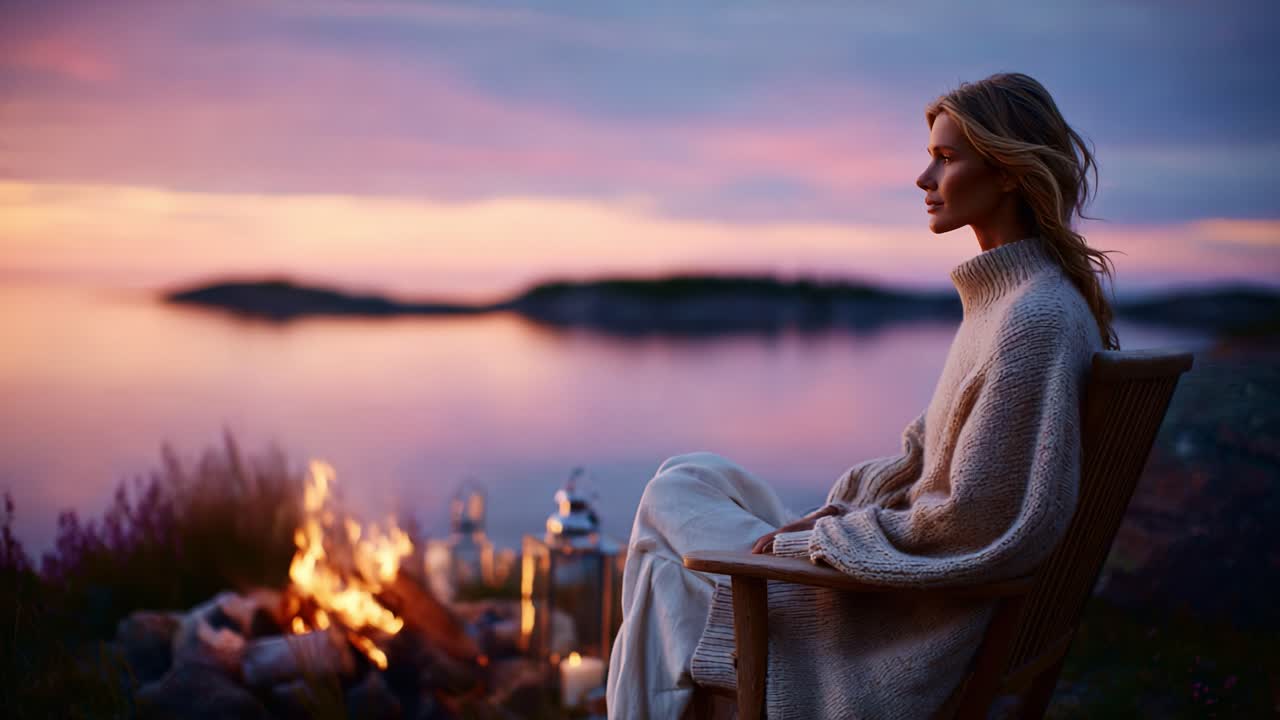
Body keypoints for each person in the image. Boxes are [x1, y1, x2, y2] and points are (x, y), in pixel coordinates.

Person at [606, 72, 1117, 720]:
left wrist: (811, 545)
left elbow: (968, 525)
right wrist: (834, 511)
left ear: (1009, 171)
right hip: (894, 579)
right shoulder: (1010, 304)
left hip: (903, 630)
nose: (923, 178)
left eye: (945, 157)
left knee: (661, 554)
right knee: (689, 478)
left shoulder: (1032, 321)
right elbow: (922, 455)